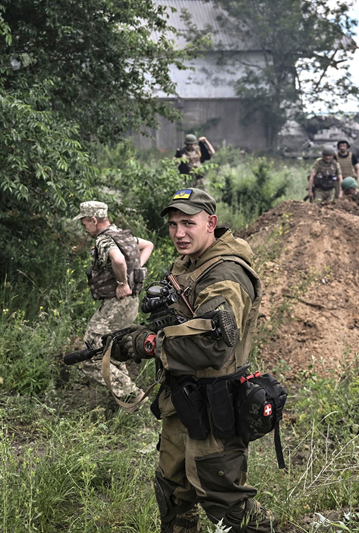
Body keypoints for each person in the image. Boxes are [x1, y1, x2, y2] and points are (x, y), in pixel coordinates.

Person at [113, 188, 275, 532]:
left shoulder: (226, 274)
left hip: (215, 404)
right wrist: (143, 332)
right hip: (182, 399)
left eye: (188, 223)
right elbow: (180, 322)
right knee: (173, 491)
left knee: (226, 502)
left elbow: (210, 347)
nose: (179, 233)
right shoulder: (190, 264)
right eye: (173, 224)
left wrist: (147, 345)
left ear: (210, 223)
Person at [74, 201, 154, 398]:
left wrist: (122, 282)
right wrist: (134, 270)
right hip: (130, 303)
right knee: (114, 353)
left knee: (91, 357)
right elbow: (148, 245)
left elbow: (118, 259)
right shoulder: (121, 235)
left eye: (85, 223)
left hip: (116, 305)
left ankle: (133, 396)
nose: (85, 229)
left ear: (94, 220)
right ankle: (125, 404)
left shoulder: (104, 240)